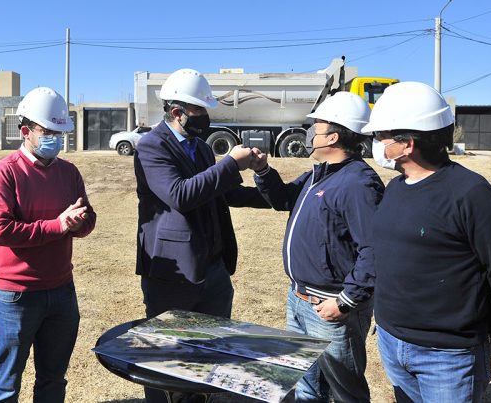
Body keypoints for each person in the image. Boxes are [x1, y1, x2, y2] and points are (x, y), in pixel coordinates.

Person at [134, 68, 268, 402]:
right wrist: (229, 165)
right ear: (176, 113)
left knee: (210, 350)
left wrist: (277, 195)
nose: (206, 118)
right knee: (166, 355)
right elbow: (180, 195)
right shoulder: (152, 147)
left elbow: (220, 194)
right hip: (172, 273)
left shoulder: (201, 147)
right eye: (199, 111)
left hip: (213, 266)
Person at [360, 81, 491, 402]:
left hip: (448, 356)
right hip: (392, 342)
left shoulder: (473, 195)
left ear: (407, 143)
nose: (376, 144)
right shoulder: (396, 187)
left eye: (380, 136)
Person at [251, 91, 384, 402]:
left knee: (345, 392)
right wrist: (262, 171)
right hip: (299, 299)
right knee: (308, 387)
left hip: (332, 309)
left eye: (316, 128)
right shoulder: (319, 174)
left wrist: (347, 301)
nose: (310, 134)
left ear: (333, 137)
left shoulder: (358, 183)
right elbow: (283, 198)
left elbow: (374, 250)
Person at [0, 86, 96, 403]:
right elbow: (0, 231)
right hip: (15, 296)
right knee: (6, 383)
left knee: (53, 380)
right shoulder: (4, 173)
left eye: (60, 132)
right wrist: (57, 226)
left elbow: (87, 218)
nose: (56, 139)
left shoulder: (69, 172)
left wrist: (79, 223)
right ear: (26, 131)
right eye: (48, 131)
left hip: (61, 290)